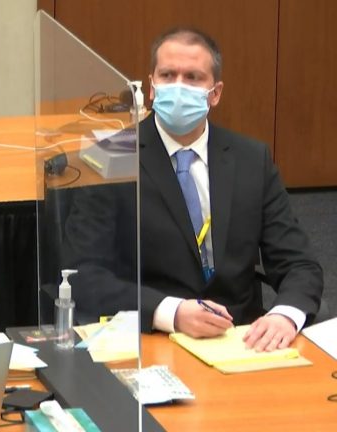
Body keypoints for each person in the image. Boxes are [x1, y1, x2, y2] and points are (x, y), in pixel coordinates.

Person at [62, 28, 323, 352]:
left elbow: (299, 263)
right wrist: (170, 312)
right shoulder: (110, 156)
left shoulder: (251, 159)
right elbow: (83, 274)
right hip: (152, 338)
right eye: (168, 75)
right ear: (152, 87)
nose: (178, 87)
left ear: (215, 93)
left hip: (242, 341)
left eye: (193, 77)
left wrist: (285, 315)